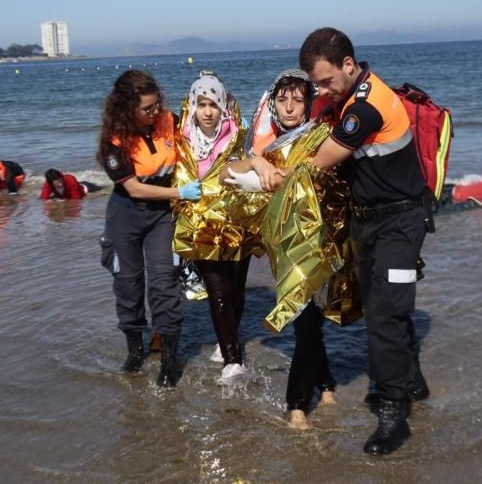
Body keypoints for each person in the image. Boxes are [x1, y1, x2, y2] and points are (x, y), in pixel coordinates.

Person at [298, 27, 431, 455]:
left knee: (385, 317)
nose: (321, 90)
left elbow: (321, 161)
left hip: (401, 221)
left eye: (325, 80)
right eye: (316, 83)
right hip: (368, 221)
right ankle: (410, 380)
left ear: (349, 66)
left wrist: (276, 175)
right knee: (381, 306)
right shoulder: (346, 100)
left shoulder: (367, 106)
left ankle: (394, 411)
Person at [226, 69, 338, 428]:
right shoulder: (268, 145)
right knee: (307, 320)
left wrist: (290, 177)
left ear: (309, 104)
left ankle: (296, 406)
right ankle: (327, 382)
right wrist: (258, 162)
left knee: (306, 321)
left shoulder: (322, 137)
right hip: (282, 244)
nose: (289, 106)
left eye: (298, 99)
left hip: (317, 241)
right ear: (273, 102)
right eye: (282, 98)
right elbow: (227, 172)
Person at [97, 70, 201, 388]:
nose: (155, 112)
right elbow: (134, 189)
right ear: (128, 108)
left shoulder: (170, 120)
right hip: (127, 214)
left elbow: (207, 129)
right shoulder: (114, 142)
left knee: (164, 282)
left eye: (157, 105)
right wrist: (179, 194)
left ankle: (169, 360)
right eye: (147, 108)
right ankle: (135, 350)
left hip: (161, 217)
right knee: (128, 285)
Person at [177, 72, 251, 383]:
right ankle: (234, 360)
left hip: (237, 221)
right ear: (192, 105)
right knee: (217, 289)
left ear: (223, 106)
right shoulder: (181, 139)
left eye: (214, 104)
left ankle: (226, 343)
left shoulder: (238, 134)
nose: (208, 111)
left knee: (234, 289)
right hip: (201, 224)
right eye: (202, 104)